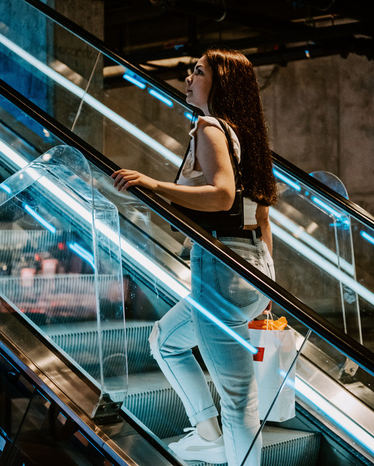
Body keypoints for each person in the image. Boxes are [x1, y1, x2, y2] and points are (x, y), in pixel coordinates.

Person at [112, 48, 278, 466]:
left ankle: (230, 450)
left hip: (221, 267)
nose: (188, 77)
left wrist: (153, 184)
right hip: (254, 267)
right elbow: (260, 215)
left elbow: (222, 196)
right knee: (164, 341)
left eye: (198, 72)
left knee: (239, 401)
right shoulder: (247, 135)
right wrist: (268, 285)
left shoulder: (208, 127)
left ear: (219, 83)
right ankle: (207, 433)